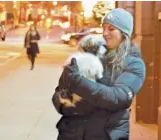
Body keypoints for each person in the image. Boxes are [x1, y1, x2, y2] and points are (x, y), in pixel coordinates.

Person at [52, 8, 146, 140]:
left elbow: (118, 98)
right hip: (71, 134)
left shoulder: (134, 64)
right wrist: (69, 107)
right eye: (104, 28)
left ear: (124, 33)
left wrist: (78, 83)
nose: (105, 33)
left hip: (106, 135)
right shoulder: (87, 55)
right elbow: (58, 95)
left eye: (111, 28)